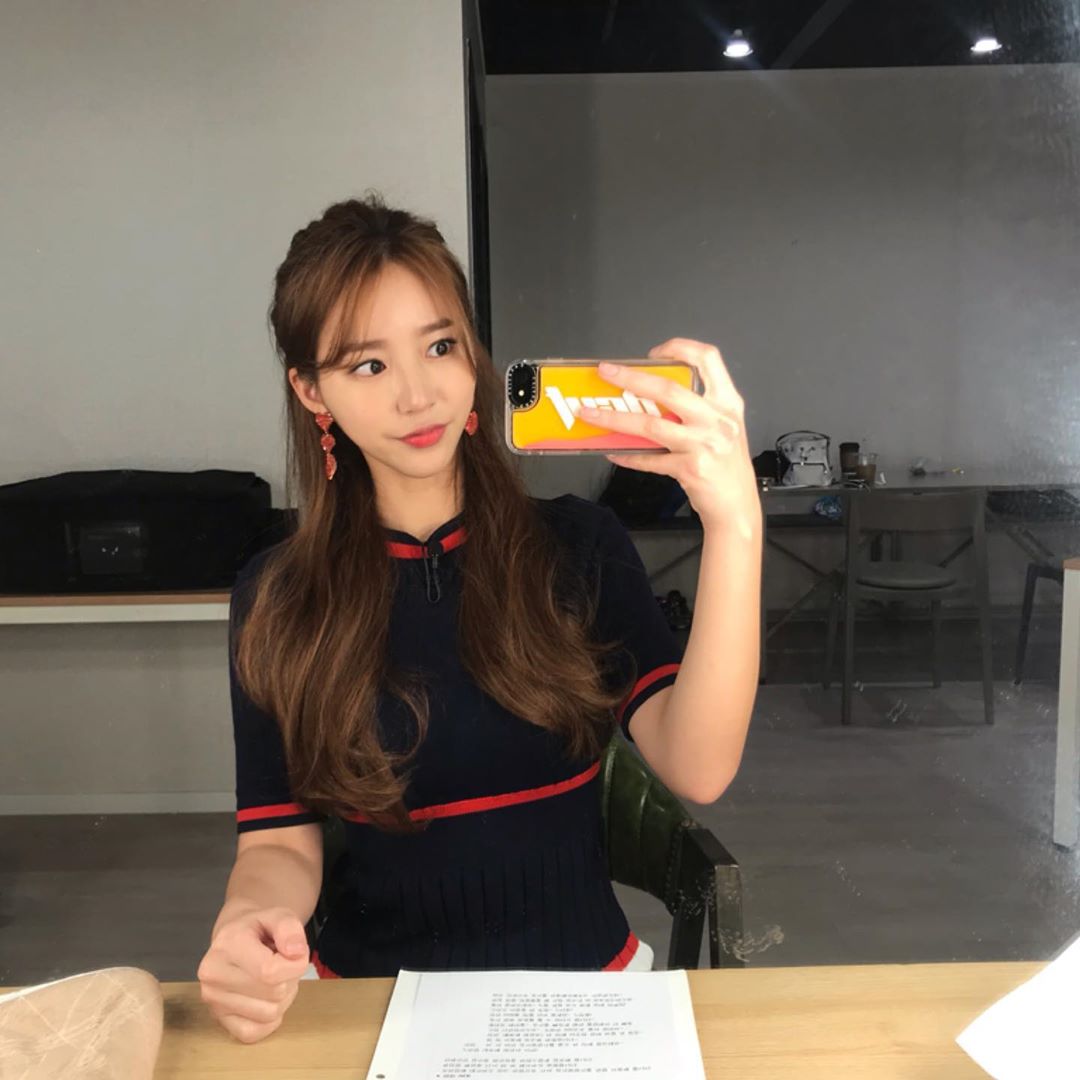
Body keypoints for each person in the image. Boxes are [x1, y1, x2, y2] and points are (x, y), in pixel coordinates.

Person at [197, 194, 762, 1044]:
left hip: (586, 1001)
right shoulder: (277, 596)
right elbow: (277, 840)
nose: (418, 394)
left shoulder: (580, 548)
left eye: (440, 346)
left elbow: (701, 766)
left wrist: (735, 523)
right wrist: (248, 922)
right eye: (367, 365)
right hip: (367, 1007)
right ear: (311, 391)